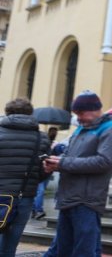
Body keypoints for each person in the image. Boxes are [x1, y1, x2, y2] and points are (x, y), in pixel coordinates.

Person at [42, 90, 112, 257]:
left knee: (83, 250)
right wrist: (56, 164)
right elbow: (71, 156)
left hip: (86, 199)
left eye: (80, 113)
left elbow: (104, 162)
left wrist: (63, 163)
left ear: (94, 109)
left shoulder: (111, 129)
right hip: (68, 196)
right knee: (62, 249)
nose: (78, 117)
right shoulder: (80, 129)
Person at [0, 98, 51, 257]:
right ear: (30, 113)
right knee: (9, 246)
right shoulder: (41, 137)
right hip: (24, 197)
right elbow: (43, 172)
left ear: (7, 112)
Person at [32, 126, 58, 220]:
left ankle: (36, 210)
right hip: (42, 169)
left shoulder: (53, 143)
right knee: (40, 190)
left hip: (44, 169)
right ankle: (38, 210)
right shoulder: (47, 142)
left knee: (39, 190)